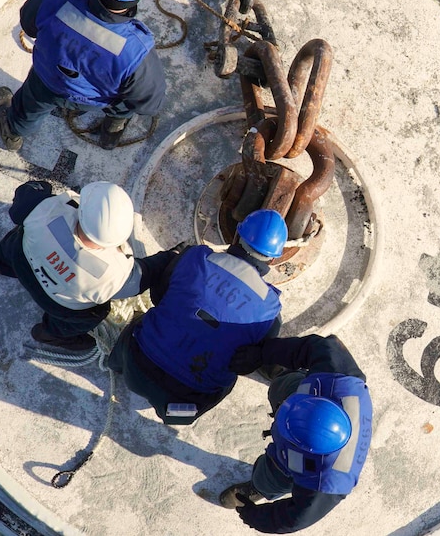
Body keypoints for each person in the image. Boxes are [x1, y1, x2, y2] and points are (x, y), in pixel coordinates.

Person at [107, 209, 288, 425]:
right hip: (187, 397)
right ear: (274, 258)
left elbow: (158, 296)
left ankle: (115, 364)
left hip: (136, 366)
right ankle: (174, 418)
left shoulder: (195, 257)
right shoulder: (269, 311)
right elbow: (250, 360)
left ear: (237, 236)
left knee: (140, 323)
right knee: (226, 379)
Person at [0, 0, 166, 152]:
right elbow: (149, 104)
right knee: (123, 106)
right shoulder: (138, 53)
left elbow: (28, 22)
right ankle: (111, 132)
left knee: (27, 109)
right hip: (94, 101)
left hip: (46, 83)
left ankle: (13, 134)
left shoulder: (56, 0)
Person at [0, 180, 177, 351]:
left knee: (17, 240)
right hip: (61, 305)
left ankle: (1, 264)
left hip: (23, 262)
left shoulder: (43, 211)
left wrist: (41, 188)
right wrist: (174, 256)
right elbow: (147, 274)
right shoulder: (117, 274)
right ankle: (51, 333)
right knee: (95, 312)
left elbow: (25, 196)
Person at [219, 332, 374, 533]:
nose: (281, 407)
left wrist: (254, 516)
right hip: (307, 400)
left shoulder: (325, 484)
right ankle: (279, 372)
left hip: (290, 462)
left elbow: (294, 519)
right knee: (283, 386)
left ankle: (258, 487)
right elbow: (315, 346)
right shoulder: (340, 376)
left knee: (271, 476)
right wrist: (263, 354)